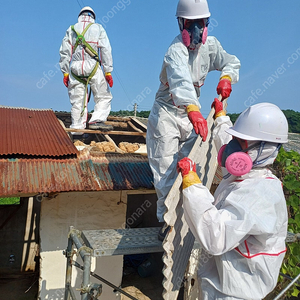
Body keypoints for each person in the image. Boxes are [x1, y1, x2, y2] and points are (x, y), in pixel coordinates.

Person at [146, 0, 241, 236]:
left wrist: (227, 76)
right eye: (192, 24)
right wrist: (192, 109)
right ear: (182, 25)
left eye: (201, 24)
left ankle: (187, 216)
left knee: (189, 165)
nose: (197, 30)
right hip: (168, 111)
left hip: (191, 113)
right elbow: (179, 82)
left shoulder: (211, 47)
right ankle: (166, 221)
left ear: (207, 23)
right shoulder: (175, 50)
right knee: (165, 167)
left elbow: (231, 61)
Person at [177, 100, 288, 300]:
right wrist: (220, 118)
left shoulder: (260, 193)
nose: (233, 147)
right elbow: (226, 138)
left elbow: (215, 237)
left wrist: (192, 185)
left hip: (236, 293)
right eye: (236, 138)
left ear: (267, 149)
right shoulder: (248, 174)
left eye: (241, 142)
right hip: (219, 284)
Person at [59, 6, 114, 134]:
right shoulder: (98, 28)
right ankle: (97, 119)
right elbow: (106, 50)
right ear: (92, 17)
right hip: (93, 66)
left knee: (77, 101)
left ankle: (77, 132)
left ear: (80, 16)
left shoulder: (71, 29)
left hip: (75, 68)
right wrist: (108, 71)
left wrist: (65, 72)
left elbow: (64, 52)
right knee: (103, 96)